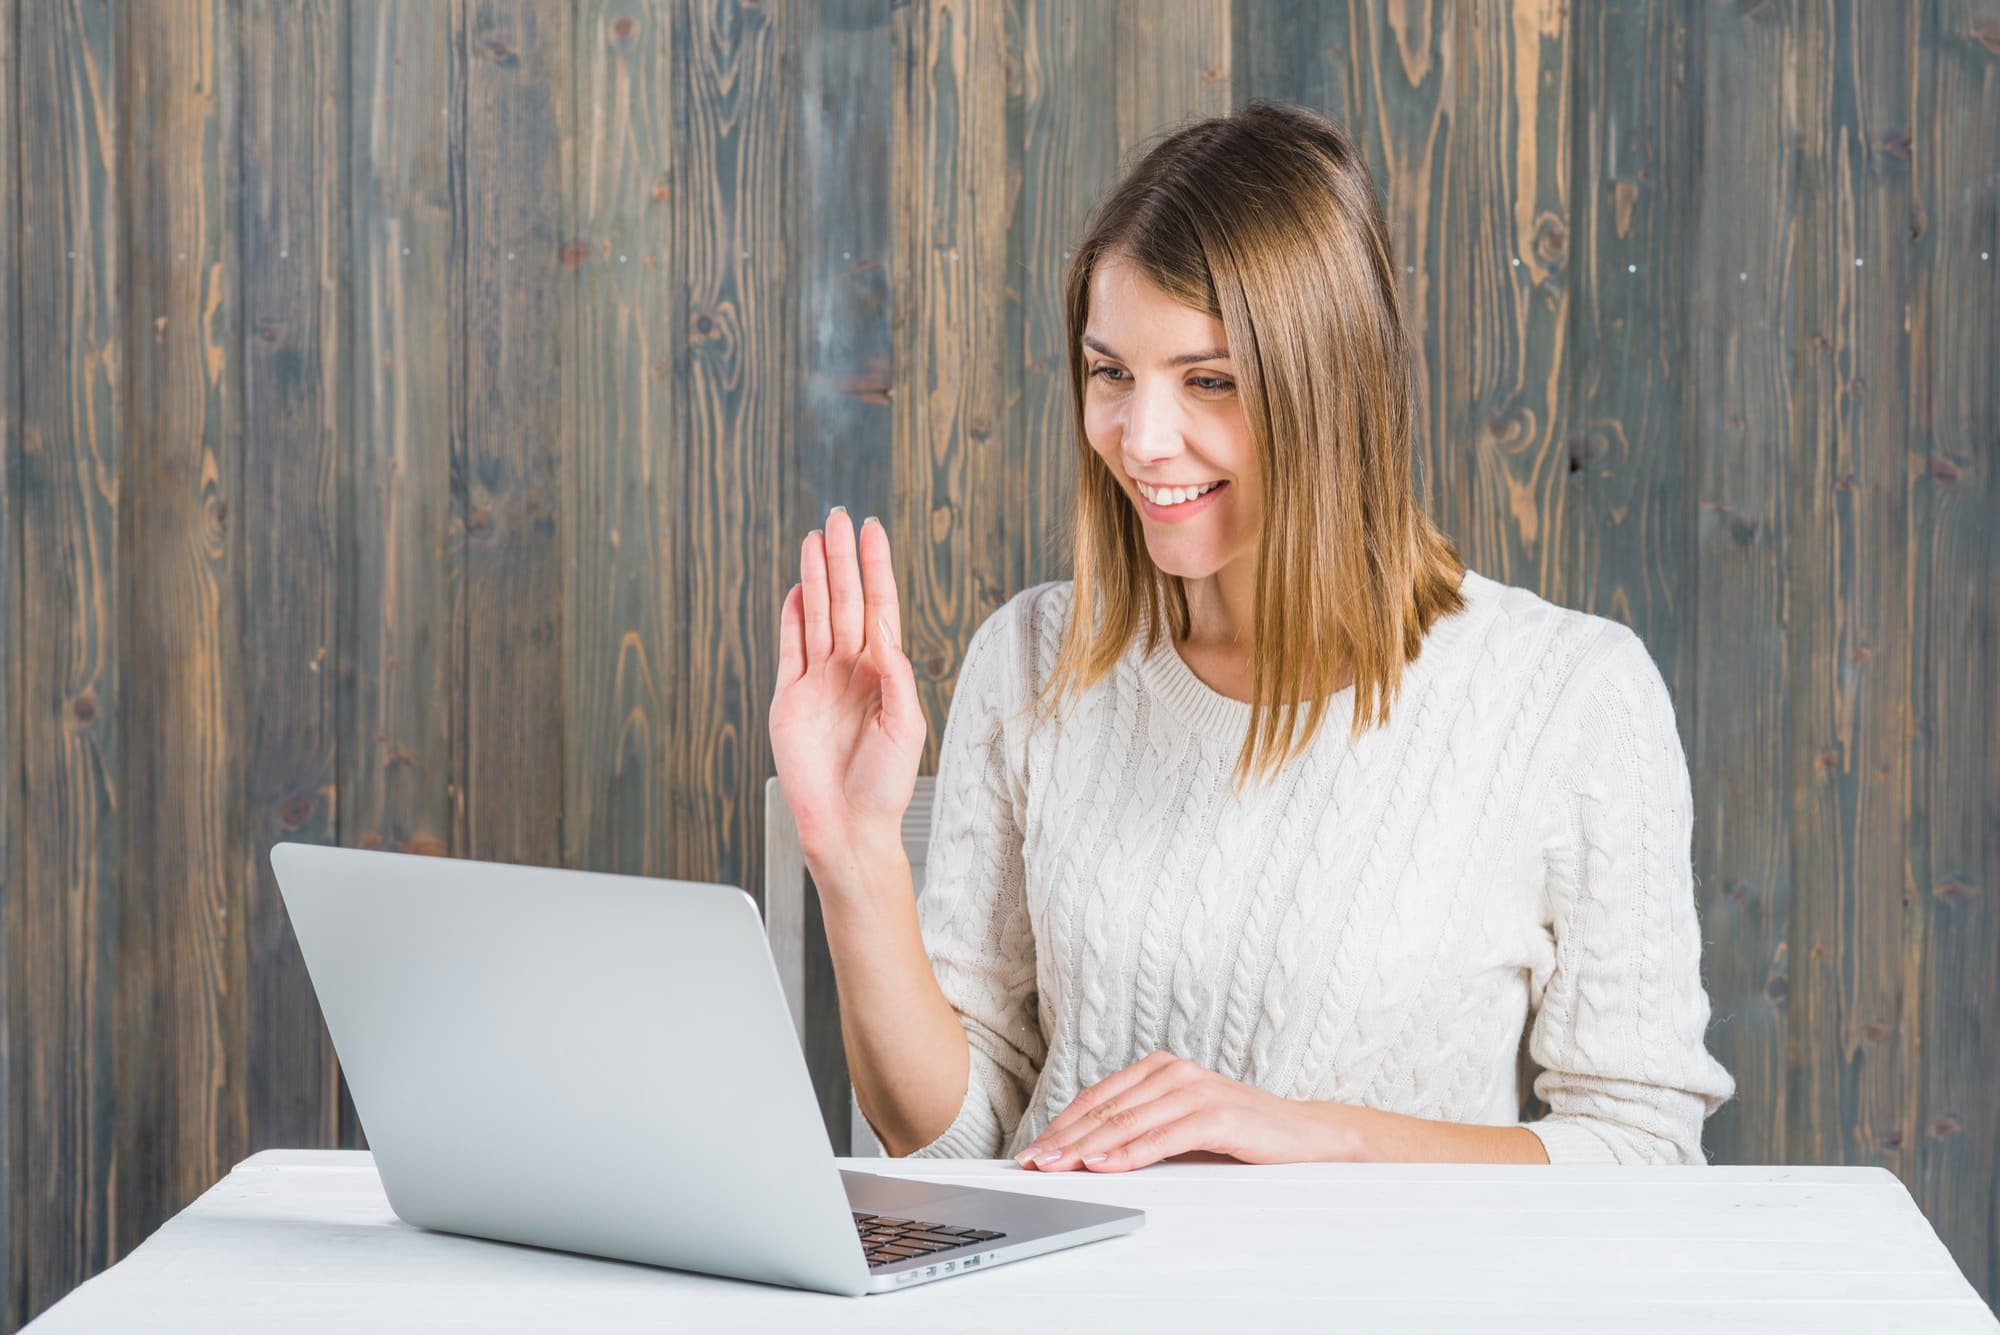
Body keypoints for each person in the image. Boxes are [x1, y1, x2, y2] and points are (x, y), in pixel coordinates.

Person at [768, 101, 1734, 1172]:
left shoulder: (1570, 696)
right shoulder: (1033, 658)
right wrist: (852, 856)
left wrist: (1311, 1136)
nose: (1141, 439)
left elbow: (1642, 1150)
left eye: (1209, 381)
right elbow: (950, 1139)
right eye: (1110, 373)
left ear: (1330, 387)